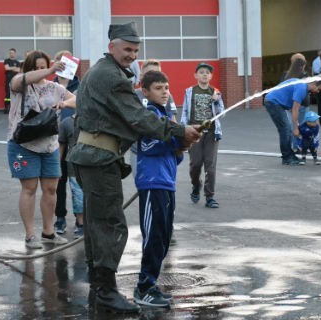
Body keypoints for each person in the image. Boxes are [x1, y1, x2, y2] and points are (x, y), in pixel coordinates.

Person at [65, 22, 201, 313]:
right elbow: (138, 117)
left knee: (96, 223)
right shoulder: (112, 77)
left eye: (135, 51)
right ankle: (105, 292)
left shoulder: (102, 71)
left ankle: (99, 288)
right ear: (112, 45)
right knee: (109, 224)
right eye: (127, 49)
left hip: (93, 158)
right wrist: (178, 132)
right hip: (99, 160)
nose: (131, 55)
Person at [7, 50, 76, 248]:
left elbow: (77, 100)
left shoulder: (55, 87)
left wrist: (63, 102)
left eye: (43, 66)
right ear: (29, 68)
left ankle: (49, 232)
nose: (41, 71)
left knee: (51, 189)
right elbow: (21, 80)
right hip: (23, 144)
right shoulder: (19, 83)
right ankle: (30, 235)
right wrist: (50, 70)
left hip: (50, 145)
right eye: (36, 68)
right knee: (29, 189)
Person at [132, 70, 183, 307]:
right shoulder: (149, 115)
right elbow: (149, 144)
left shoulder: (164, 115)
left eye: (167, 87)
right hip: (152, 183)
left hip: (166, 183)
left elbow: (174, 156)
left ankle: (151, 284)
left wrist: (182, 146)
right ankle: (144, 288)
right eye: (159, 88)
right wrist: (178, 139)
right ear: (146, 91)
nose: (165, 92)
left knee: (162, 236)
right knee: (153, 237)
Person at [181, 62, 224, 209]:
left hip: (212, 133)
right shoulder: (189, 91)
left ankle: (210, 197)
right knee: (195, 165)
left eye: (207, 72)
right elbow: (185, 112)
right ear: (196, 75)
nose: (205, 74)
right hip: (194, 132)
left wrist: (216, 101)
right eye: (201, 72)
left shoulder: (215, 92)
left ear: (211, 76)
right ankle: (195, 185)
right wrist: (183, 130)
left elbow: (221, 113)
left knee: (210, 166)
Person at [264, 78, 321, 165]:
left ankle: (289, 155)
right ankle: (287, 157)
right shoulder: (302, 88)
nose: (318, 91)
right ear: (313, 83)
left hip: (274, 101)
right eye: (318, 88)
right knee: (285, 129)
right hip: (273, 102)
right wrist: (296, 128)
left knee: (286, 129)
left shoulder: (301, 84)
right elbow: (295, 109)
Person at [53, 49, 81, 235]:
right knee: (57, 182)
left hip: (74, 139)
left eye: (68, 61)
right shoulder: (49, 85)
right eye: (60, 60)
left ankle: (81, 219)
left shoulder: (80, 86)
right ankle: (60, 217)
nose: (64, 64)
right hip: (53, 138)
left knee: (77, 184)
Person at [57, 113, 84, 237]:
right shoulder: (67, 123)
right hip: (73, 164)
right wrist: (57, 165)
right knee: (77, 194)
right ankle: (80, 223)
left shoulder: (95, 118)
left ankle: (85, 222)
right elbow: (62, 145)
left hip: (91, 164)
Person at [3, 48, 21, 114]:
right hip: (8, 80)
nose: (11, 54)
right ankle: (6, 107)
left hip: (15, 81)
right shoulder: (6, 61)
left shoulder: (18, 62)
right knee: (8, 95)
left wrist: (11, 68)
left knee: (16, 94)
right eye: (10, 53)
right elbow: (6, 68)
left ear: (15, 53)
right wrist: (14, 68)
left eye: (12, 53)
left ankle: (15, 108)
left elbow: (19, 70)